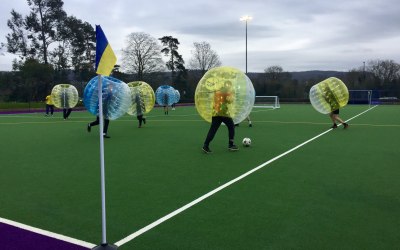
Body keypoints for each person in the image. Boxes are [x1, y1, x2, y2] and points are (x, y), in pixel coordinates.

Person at [202, 81, 239, 153]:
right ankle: (231, 145)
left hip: (216, 112)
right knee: (231, 126)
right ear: (228, 85)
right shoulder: (227, 91)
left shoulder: (217, 91)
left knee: (213, 129)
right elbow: (230, 101)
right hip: (224, 113)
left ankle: (205, 145)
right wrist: (232, 94)